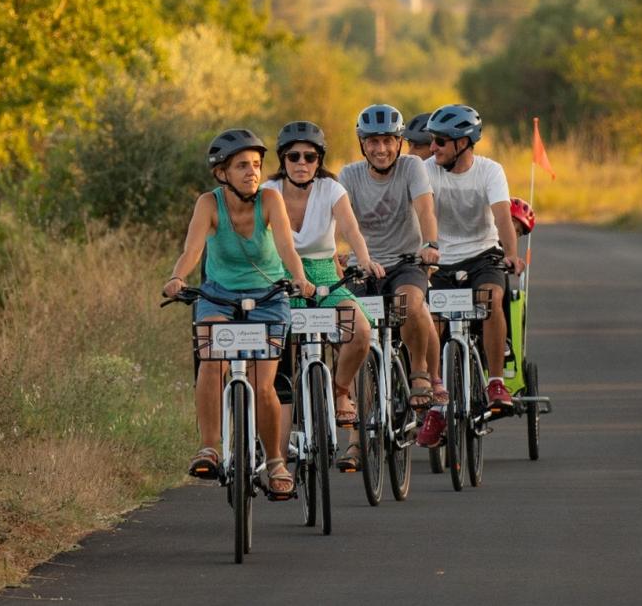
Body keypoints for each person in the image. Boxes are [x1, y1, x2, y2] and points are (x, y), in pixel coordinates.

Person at [163, 128, 315, 500]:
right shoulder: (208, 204)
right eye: (242, 166)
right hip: (219, 298)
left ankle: (276, 461)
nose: (252, 172)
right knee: (212, 361)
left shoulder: (270, 200)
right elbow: (192, 249)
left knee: (264, 385)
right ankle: (210, 447)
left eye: (257, 165)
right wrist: (177, 277)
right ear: (222, 173)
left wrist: (299, 278)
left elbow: (285, 246)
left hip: (268, 299)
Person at [260, 121, 384, 460]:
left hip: (325, 274)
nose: (302, 163)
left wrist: (365, 259)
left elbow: (351, 230)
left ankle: (340, 390)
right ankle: (277, 457)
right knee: (278, 360)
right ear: (283, 159)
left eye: (310, 157)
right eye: (294, 156)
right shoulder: (266, 190)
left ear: (319, 160)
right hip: (279, 276)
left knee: (360, 330)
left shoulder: (332, 190)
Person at [415, 105, 526, 447]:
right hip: (440, 260)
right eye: (431, 141)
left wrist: (510, 255)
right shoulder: (426, 171)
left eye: (439, 142)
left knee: (493, 297)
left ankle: (495, 381)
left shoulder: (490, 171)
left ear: (463, 143)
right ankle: (437, 399)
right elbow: (419, 212)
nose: (432, 148)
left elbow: (502, 217)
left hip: (483, 255)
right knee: (429, 314)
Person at [337, 104, 441, 469]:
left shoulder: (412, 167)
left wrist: (430, 243)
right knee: (356, 341)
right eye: (373, 142)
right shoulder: (348, 175)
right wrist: (334, 253)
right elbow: (339, 220)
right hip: (362, 268)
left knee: (411, 302)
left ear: (399, 143)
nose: (380, 149)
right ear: (362, 144)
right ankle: (354, 441)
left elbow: (425, 208)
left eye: (387, 141)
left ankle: (418, 373)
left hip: (405, 263)